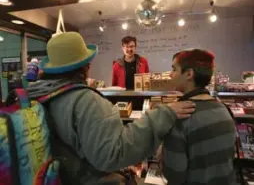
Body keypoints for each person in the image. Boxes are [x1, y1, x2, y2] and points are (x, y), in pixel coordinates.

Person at [27, 32, 195, 185]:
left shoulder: (34, 96)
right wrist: (162, 114)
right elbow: (114, 154)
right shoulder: (86, 101)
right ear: (85, 66)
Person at [161, 49, 237, 185]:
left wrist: (160, 151)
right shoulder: (225, 109)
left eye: (174, 69)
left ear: (189, 74)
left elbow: (174, 176)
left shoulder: (180, 117)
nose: (170, 75)